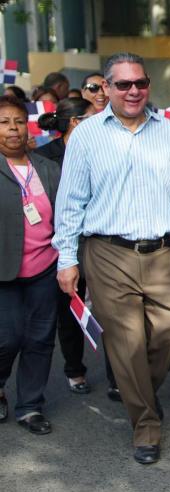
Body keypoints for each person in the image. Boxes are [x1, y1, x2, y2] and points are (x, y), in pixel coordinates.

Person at [53, 52, 170, 465]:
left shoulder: (169, 133)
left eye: (140, 83)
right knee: (128, 342)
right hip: (107, 253)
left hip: (162, 252)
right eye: (123, 84)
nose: (133, 91)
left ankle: (140, 391)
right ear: (106, 88)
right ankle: (146, 425)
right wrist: (67, 259)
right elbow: (70, 203)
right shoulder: (86, 136)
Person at [34, 98, 119, 400]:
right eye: (94, 117)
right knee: (70, 309)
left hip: (102, 242)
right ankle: (74, 370)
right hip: (64, 243)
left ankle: (118, 377)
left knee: (112, 311)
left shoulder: (106, 149)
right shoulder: (43, 157)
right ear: (75, 122)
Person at [0, 95, 61, 435]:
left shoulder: (46, 168)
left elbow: (65, 216)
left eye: (19, 121)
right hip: (3, 272)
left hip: (45, 268)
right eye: (4, 122)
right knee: (7, 338)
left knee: (40, 338)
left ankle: (30, 406)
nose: (13, 128)